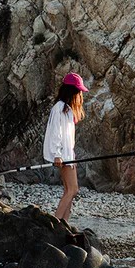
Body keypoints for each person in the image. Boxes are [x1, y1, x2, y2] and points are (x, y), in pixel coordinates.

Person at [43, 71, 88, 221]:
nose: (80, 95)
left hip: (69, 156)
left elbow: (68, 138)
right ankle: (56, 222)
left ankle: (64, 224)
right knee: (72, 189)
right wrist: (57, 154)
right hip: (63, 156)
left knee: (70, 190)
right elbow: (56, 133)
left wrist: (70, 157)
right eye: (79, 92)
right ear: (72, 91)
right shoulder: (59, 108)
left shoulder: (67, 110)